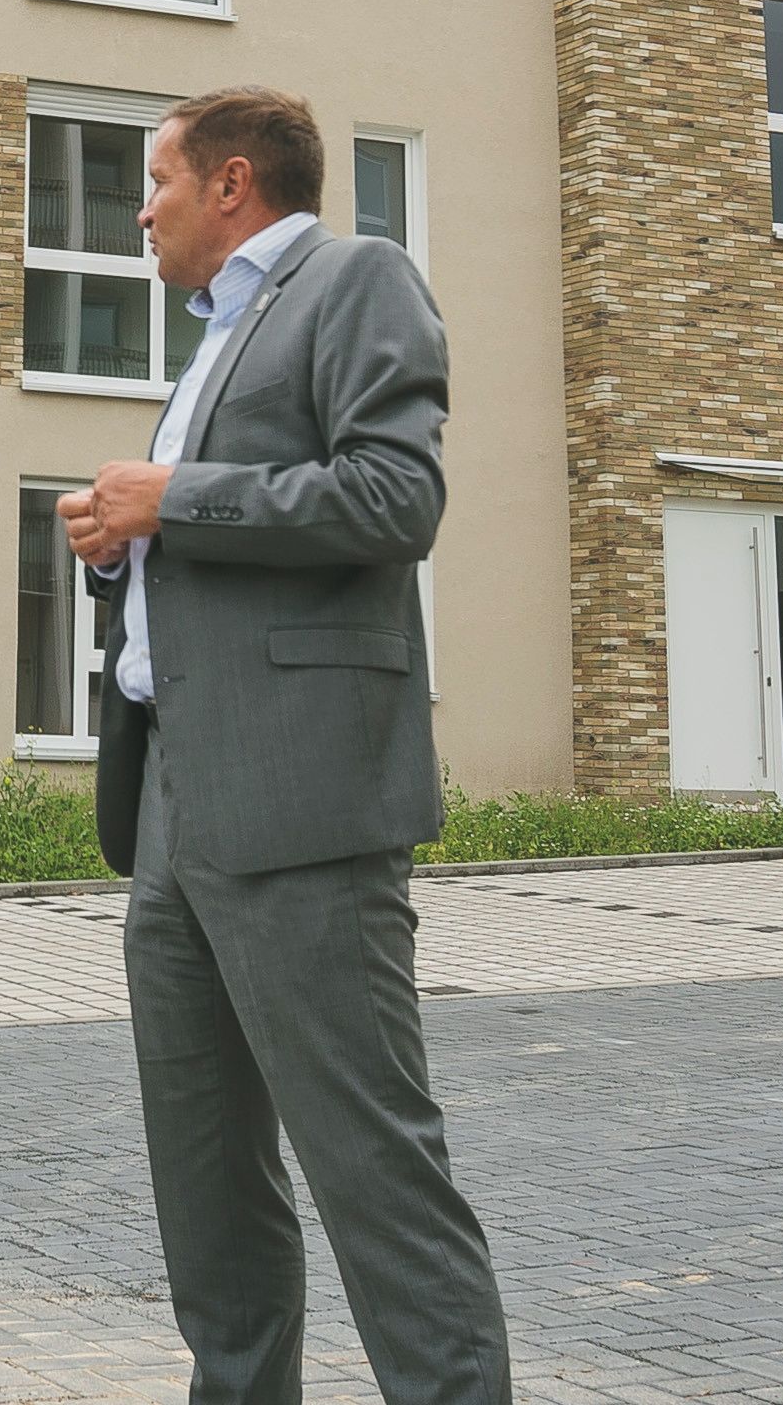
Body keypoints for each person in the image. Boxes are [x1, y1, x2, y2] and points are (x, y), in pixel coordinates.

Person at [59, 84, 512, 1405]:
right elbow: (216, 550)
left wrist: (175, 498)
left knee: (372, 1168)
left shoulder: (356, 278)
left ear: (233, 184)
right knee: (206, 1183)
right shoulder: (213, 340)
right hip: (172, 805)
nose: (139, 210)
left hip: (302, 802)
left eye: (156, 182)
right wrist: (123, 540)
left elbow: (396, 495)